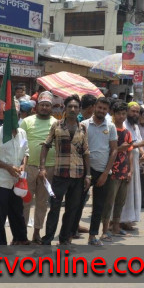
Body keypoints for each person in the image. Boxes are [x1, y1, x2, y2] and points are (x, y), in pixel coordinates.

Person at [40, 95, 90, 245]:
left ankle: (64, 240)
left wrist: (88, 175)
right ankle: (47, 240)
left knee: (71, 210)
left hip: (78, 174)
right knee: (54, 208)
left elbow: (86, 152)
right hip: (60, 174)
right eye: (70, 107)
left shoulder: (82, 128)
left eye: (75, 107)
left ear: (79, 109)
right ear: (64, 108)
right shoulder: (56, 125)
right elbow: (46, 145)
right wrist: (42, 167)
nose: (73, 109)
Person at [0, 106, 30, 246]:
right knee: (0, 215)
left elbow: (25, 151)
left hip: (17, 180)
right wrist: (7, 167)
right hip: (1, 181)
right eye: (9, 116)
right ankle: (0, 244)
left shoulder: (22, 133)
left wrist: (23, 165)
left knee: (17, 212)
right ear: (4, 116)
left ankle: (20, 239)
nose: (13, 118)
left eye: (15, 115)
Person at [78, 97, 117, 245]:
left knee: (98, 206)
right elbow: (79, 148)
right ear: (94, 107)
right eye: (99, 107)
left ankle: (93, 236)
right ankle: (69, 234)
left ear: (107, 111)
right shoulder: (84, 125)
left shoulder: (111, 126)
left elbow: (114, 150)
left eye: (104, 109)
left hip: (103, 172)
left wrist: (106, 173)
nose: (101, 111)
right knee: (77, 203)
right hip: (85, 171)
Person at [20, 91, 57, 244]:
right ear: (37, 106)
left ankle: (36, 232)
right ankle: (21, 234)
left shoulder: (56, 123)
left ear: (51, 107)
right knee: (25, 201)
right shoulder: (27, 121)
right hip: (28, 167)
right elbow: (20, 144)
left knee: (42, 202)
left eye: (47, 105)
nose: (44, 108)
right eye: (42, 105)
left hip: (49, 168)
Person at [101, 101, 132, 241]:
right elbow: (108, 150)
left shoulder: (127, 132)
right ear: (113, 114)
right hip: (112, 170)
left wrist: (130, 170)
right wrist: (120, 149)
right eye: (119, 113)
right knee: (109, 200)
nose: (122, 116)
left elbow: (130, 152)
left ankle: (116, 227)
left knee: (121, 200)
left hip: (124, 170)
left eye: (124, 114)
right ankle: (105, 229)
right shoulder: (109, 129)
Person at [120, 102, 144, 231]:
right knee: (125, 192)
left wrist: (143, 152)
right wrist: (141, 145)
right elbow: (127, 145)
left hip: (134, 162)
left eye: (137, 112)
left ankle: (128, 219)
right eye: (132, 111)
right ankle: (121, 220)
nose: (135, 114)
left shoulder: (135, 126)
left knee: (133, 192)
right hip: (124, 162)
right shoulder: (124, 125)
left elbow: (138, 141)